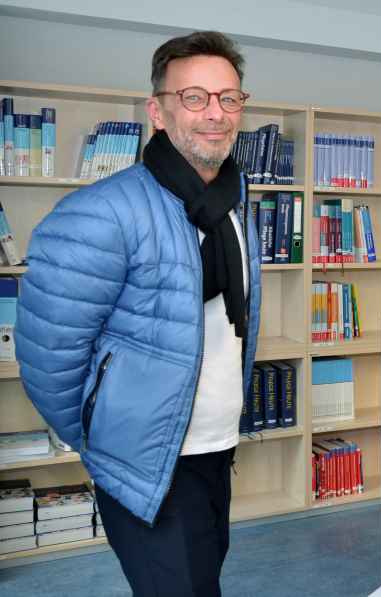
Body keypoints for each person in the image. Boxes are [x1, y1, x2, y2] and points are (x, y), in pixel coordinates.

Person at [16, 31, 261, 595]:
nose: (215, 114)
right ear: (158, 110)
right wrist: (106, 437)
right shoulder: (99, 213)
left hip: (215, 447)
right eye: (194, 97)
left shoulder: (235, 208)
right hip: (147, 459)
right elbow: (48, 360)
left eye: (229, 98)